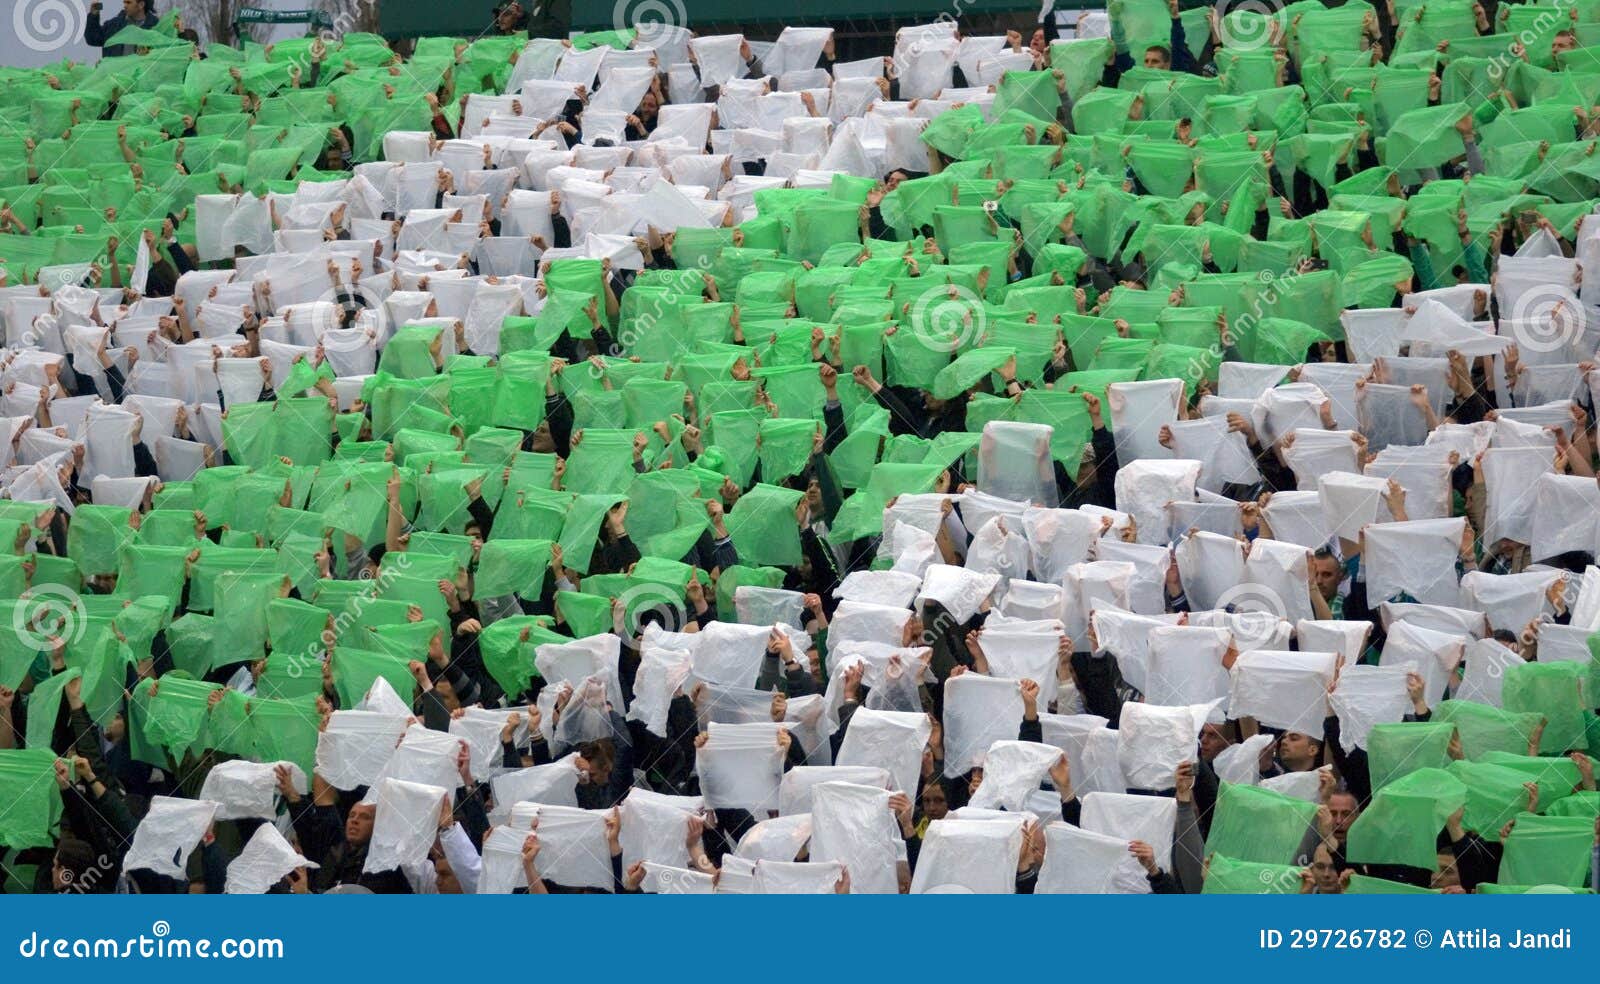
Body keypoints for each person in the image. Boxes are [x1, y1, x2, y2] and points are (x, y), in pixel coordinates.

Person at [84, 0, 159, 57]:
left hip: (142, 76)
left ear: (141, 5)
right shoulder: (114, 25)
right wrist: (93, 15)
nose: (125, 6)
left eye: (128, 2)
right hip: (116, 76)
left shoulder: (156, 28)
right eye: (124, 2)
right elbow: (93, 39)